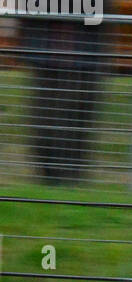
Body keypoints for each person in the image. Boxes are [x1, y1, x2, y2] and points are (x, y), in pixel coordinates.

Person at [18, 4, 111, 185]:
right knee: (45, 124)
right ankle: (50, 180)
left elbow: (96, 13)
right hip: (47, 61)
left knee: (77, 125)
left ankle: (69, 182)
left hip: (83, 61)